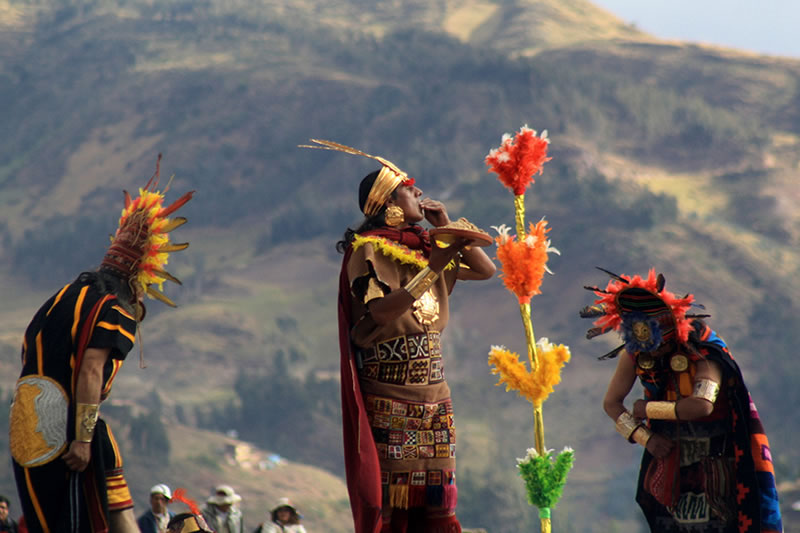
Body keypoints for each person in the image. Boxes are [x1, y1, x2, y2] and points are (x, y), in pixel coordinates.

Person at [312, 138, 496, 533]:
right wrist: (433, 268)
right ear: (389, 203)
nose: (418, 192)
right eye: (408, 188)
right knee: (393, 500)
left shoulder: (429, 244)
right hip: (390, 391)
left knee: (438, 500)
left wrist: (443, 222)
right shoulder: (368, 250)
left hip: (434, 390)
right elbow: (379, 310)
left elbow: (486, 270)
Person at [8, 158, 193, 533]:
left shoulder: (64, 295)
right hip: (65, 434)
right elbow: (91, 369)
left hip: (26, 427)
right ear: (140, 275)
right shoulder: (113, 310)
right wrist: (81, 438)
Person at [581, 268, 783, 532]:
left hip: (718, 467)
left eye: (659, 346)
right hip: (670, 465)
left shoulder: (706, 351)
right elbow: (612, 404)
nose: (654, 352)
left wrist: (647, 408)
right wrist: (647, 438)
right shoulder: (634, 355)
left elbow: (701, 405)